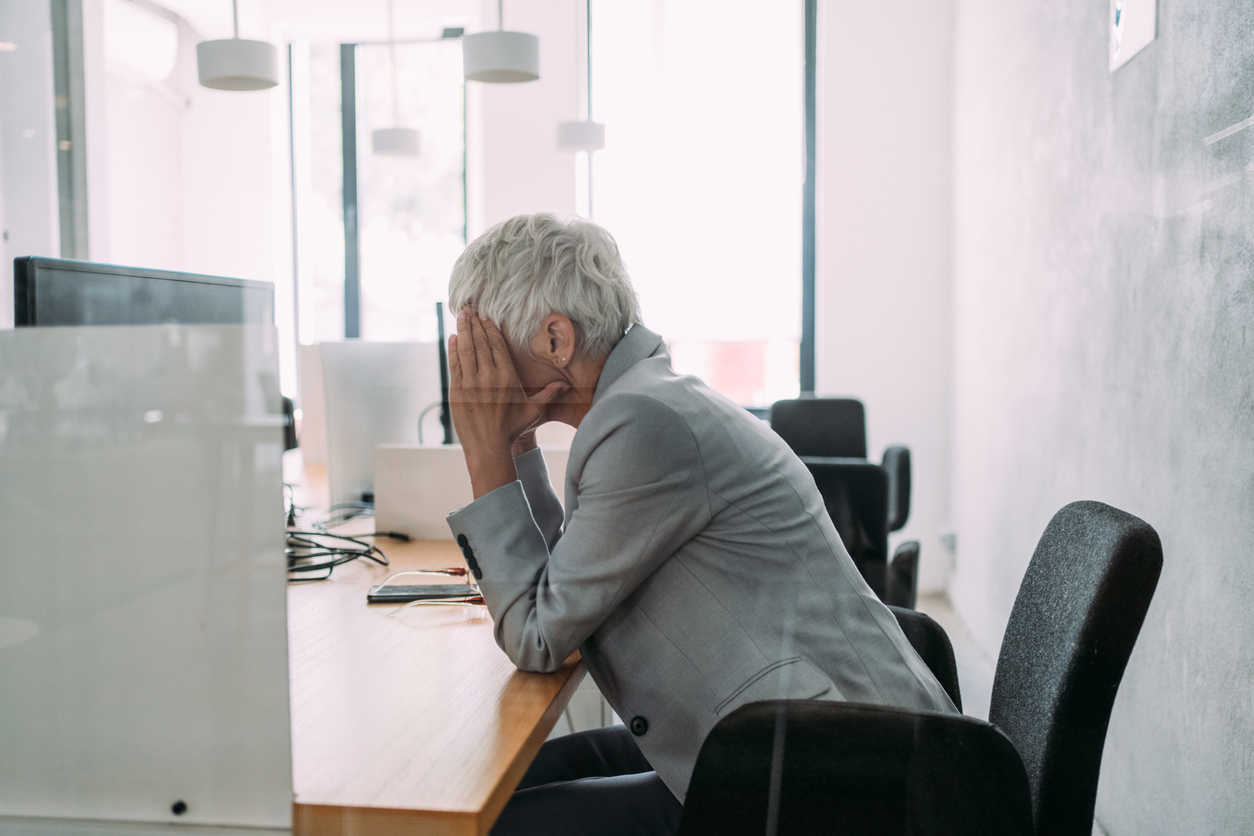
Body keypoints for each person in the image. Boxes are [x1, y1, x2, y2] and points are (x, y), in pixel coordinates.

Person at [444, 213, 956, 836]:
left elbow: (538, 637)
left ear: (555, 338)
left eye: (481, 348)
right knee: (488, 789)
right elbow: (562, 585)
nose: (471, 374)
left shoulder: (643, 424)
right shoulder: (648, 400)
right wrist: (516, 440)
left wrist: (484, 452)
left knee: (490, 825)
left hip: (824, 779)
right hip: (778, 736)